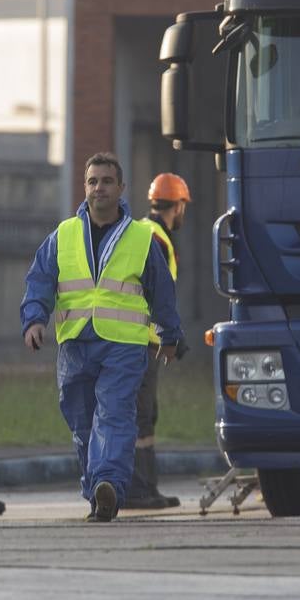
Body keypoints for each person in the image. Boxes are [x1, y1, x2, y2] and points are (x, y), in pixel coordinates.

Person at [20, 152, 182, 523]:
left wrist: (170, 335)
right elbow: (40, 280)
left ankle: (109, 481)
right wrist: (33, 320)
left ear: (121, 188)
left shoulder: (141, 238)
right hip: (75, 343)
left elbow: (163, 292)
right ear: (85, 187)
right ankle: (97, 489)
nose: (99, 188)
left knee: (114, 413)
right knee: (81, 421)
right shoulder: (64, 235)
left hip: (123, 345)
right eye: (93, 181)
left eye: (107, 181)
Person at [128, 172, 192, 510]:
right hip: (141, 342)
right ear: (178, 205)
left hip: (140, 339)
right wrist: (171, 333)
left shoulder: (146, 231)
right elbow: (155, 292)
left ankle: (146, 486)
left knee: (145, 413)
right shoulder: (157, 239)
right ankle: (138, 489)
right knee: (140, 414)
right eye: (184, 207)